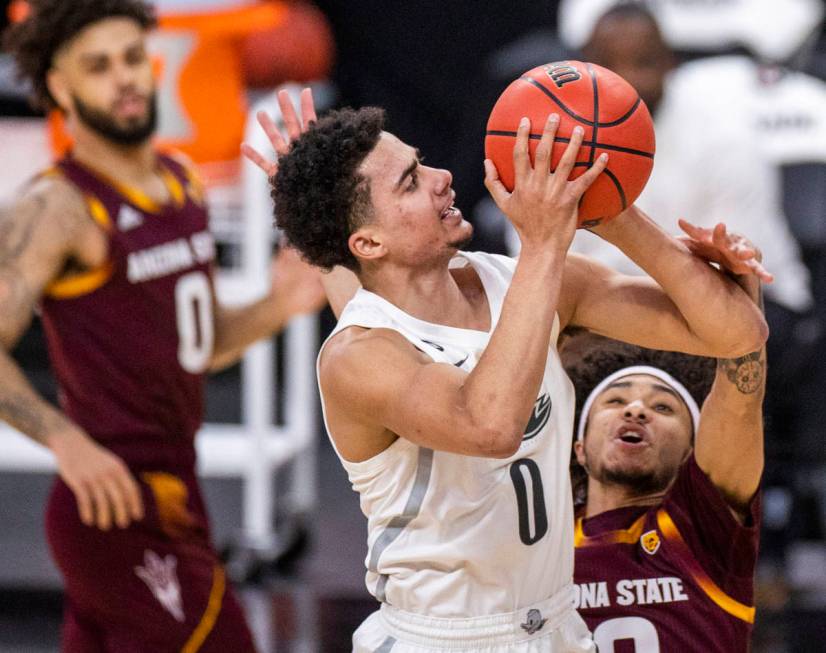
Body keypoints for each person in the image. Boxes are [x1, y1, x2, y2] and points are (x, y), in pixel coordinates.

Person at [244, 87, 769, 651]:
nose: (442, 176)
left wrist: (612, 210)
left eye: (421, 162)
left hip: (557, 627)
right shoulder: (360, 356)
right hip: (440, 637)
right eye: (410, 182)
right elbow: (489, 426)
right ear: (368, 242)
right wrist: (545, 241)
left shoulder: (527, 282)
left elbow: (737, 335)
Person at [1, 2, 325, 650]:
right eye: (98, 66)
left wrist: (278, 304)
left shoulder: (182, 182)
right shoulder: (58, 205)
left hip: (180, 489)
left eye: (130, 58)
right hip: (113, 503)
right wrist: (69, 442)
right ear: (60, 87)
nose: (124, 78)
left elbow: (192, 348)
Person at [563, 237, 765, 651]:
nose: (636, 409)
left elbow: (738, 406)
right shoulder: (542, 542)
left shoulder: (702, 530)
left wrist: (740, 307)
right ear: (578, 446)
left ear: (694, 451)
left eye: (663, 408)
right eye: (615, 400)